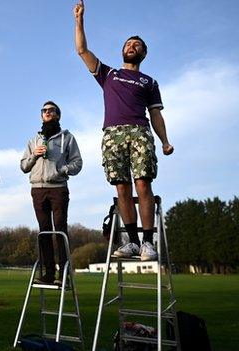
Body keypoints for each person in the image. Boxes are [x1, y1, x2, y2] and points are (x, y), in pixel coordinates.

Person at [74, 0, 174, 261]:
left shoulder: (148, 81)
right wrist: (79, 20)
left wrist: (165, 141)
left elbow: (156, 114)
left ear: (143, 54)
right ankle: (131, 241)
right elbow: (82, 49)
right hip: (112, 134)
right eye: (128, 44)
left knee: (143, 183)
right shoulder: (109, 74)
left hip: (140, 132)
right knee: (121, 188)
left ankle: (148, 243)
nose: (132, 46)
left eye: (137, 45)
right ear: (122, 50)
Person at [20, 101, 83, 285]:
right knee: (44, 232)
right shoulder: (34, 140)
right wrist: (34, 155)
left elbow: (77, 163)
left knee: (60, 229)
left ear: (57, 115)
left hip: (58, 189)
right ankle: (48, 274)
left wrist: (62, 169)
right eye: (44, 110)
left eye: (51, 110)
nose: (47, 112)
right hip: (37, 189)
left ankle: (64, 275)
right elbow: (23, 166)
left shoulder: (67, 138)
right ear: (41, 115)